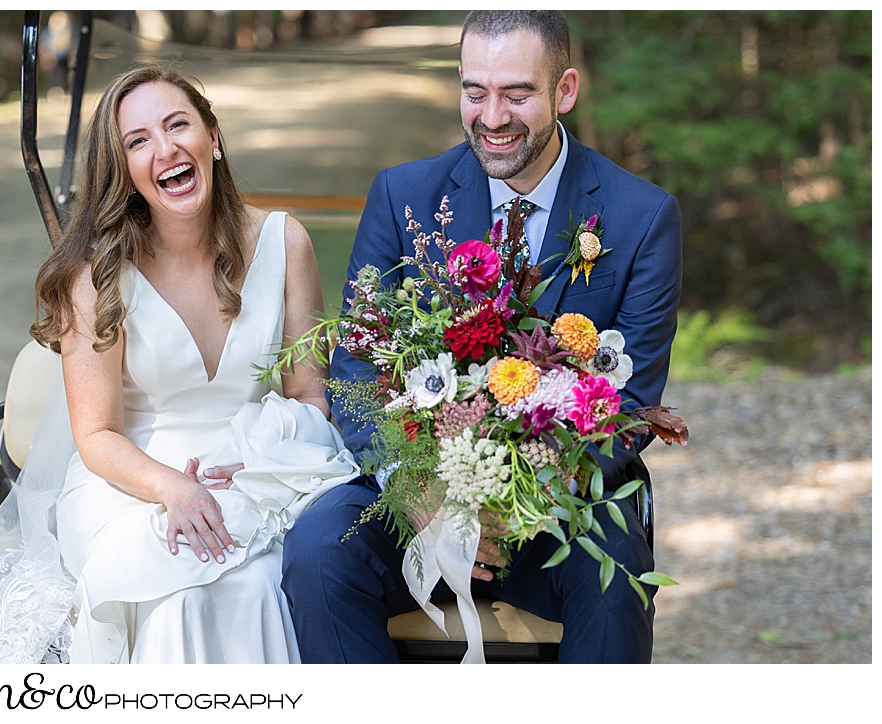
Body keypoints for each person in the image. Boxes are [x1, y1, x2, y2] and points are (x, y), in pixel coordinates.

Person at [281, 10, 682, 664]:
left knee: (615, 582)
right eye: (475, 91)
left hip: (561, 502)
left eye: (517, 94)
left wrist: (516, 501)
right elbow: (355, 368)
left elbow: (628, 401)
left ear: (566, 90)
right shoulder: (403, 196)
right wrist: (415, 490)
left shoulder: (642, 217)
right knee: (318, 551)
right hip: (417, 485)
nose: (492, 116)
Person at [0, 64, 359, 664]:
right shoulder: (95, 275)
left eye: (177, 126)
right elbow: (95, 435)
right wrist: (173, 488)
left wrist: (265, 452)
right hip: (131, 482)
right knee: (181, 592)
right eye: (138, 142)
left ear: (212, 137)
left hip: (257, 469)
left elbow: (311, 396)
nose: (164, 149)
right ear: (125, 170)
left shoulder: (284, 243)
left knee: (258, 583)